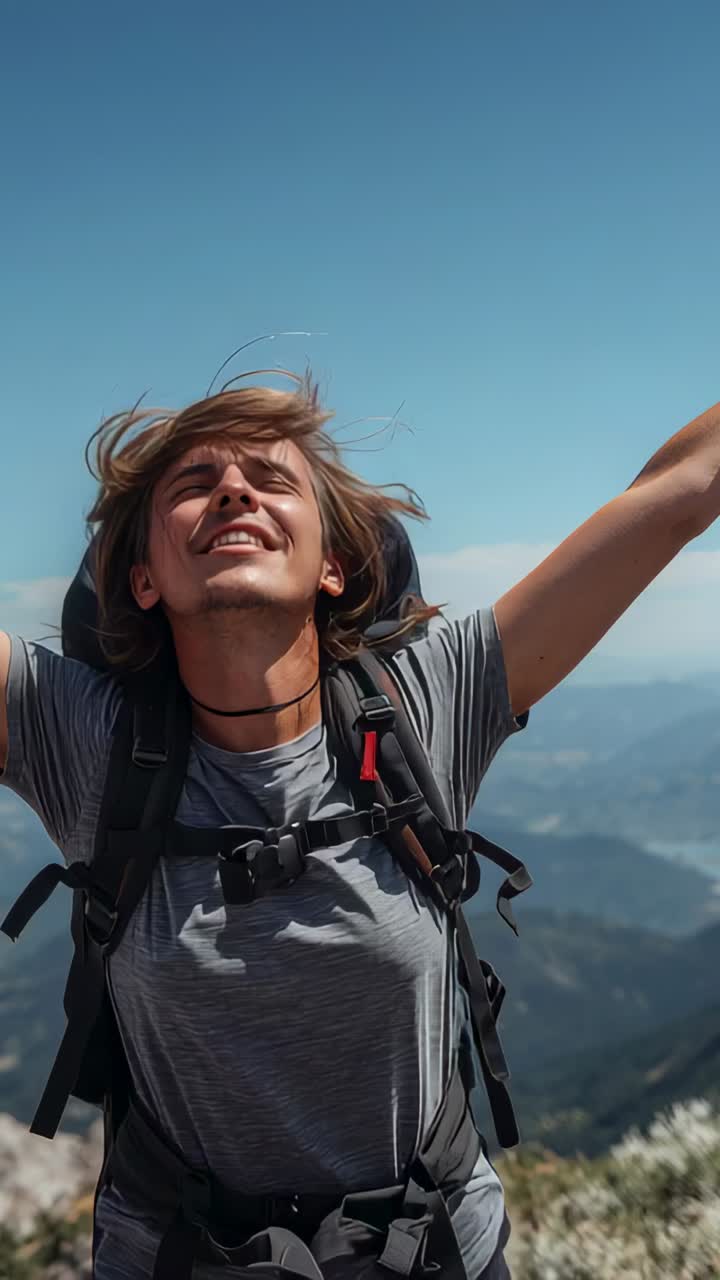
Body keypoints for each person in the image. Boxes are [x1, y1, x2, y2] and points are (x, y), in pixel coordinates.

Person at [0, 373, 710, 1280]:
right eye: (192, 484)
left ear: (333, 564)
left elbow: (677, 493)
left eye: (271, 478)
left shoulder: (424, 705)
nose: (232, 490)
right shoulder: (83, 741)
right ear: (141, 576)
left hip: (435, 1250)